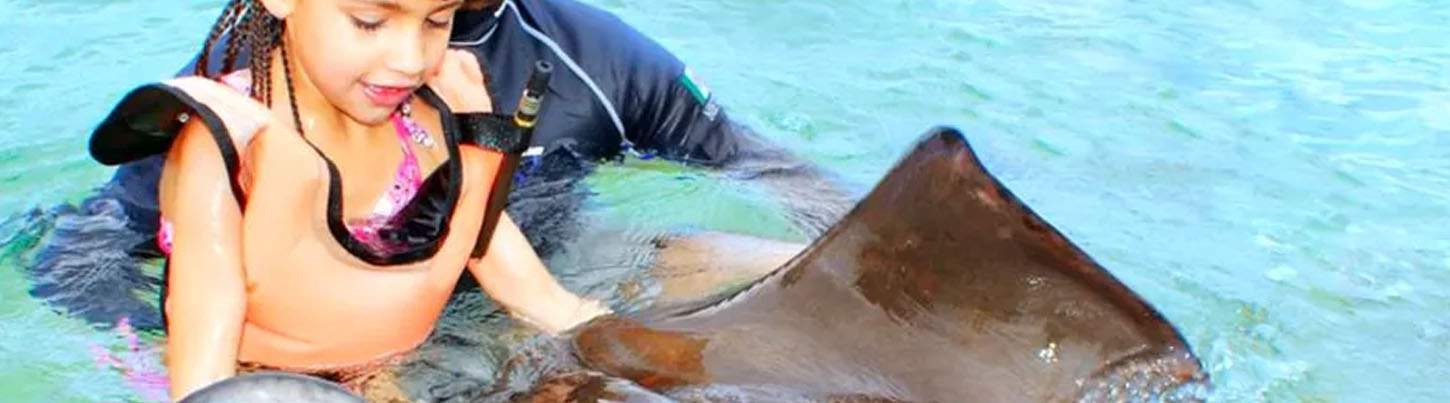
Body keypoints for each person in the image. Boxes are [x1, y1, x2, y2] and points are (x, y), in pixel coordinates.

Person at [85, 0, 610, 399]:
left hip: (399, 372)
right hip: (259, 385)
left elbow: (543, 301)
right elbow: (205, 361)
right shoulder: (228, 148)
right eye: (369, 21)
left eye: (436, 22)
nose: (410, 61)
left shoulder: (438, 120)